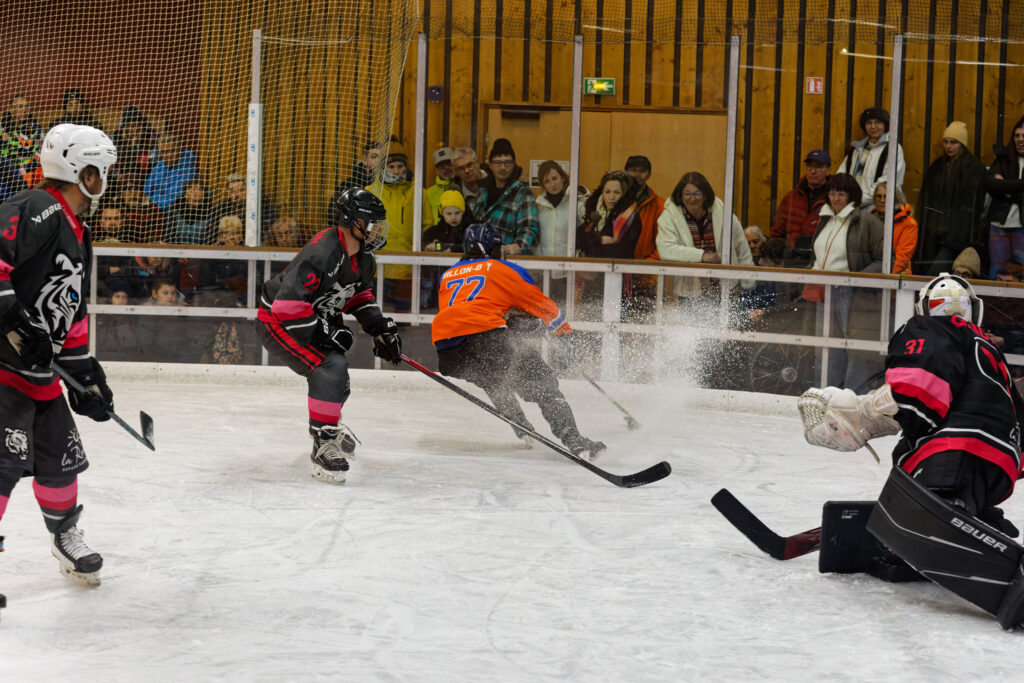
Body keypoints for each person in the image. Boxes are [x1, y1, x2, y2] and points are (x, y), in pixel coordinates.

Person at [799, 273, 1024, 629]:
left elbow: (919, 392)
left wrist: (864, 413)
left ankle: (941, 521)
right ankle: (973, 515)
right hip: (1001, 462)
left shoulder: (931, 328)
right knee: (947, 483)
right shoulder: (989, 351)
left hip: (953, 452)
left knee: (932, 495)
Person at [0, 123, 119, 586]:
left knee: (60, 458)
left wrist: (85, 375)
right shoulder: (38, 207)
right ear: (86, 174)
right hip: (4, 369)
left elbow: (72, 308)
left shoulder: (76, 229)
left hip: (37, 372)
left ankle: (64, 534)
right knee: (3, 463)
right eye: (103, 171)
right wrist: (13, 318)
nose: (106, 180)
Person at [255, 188, 402, 484]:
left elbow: (356, 295)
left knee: (338, 380)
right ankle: (323, 442)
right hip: (278, 321)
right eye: (372, 223)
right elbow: (286, 306)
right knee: (330, 366)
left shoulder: (364, 258)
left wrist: (379, 328)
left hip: (312, 314)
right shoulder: (322, 252)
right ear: (353, 221)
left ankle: (328, 426)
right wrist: (326, 333)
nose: (378, 230)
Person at [431, 223, 606, 459]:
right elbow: (541, 305)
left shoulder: (448, 274)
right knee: (544, 384)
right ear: (495, 248)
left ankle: (521, 426)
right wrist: (565, 336)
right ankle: (575, 441)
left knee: (492, 377)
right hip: (486, 337)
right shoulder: (503, 268)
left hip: (447, 349)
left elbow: (470, 309)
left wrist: (512, 320)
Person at [807, 172, 884, 389]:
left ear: (852, 196)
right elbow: (817, 255)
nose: (836, 198)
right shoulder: (824, 219)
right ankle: (824, 391)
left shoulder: (867, 221)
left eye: (841, 193)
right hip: (823, 289)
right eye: (832, 193)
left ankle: (853, 394)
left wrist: (855, 280)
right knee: (825, 347)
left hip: (852, 293)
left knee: (854, 348)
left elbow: (885, 260)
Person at [655, 171, 754, 305]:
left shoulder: (723, 212)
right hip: (689, 290)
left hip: (726, 287)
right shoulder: (669, 216)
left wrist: (748, 282)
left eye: (697, 193)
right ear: (680, 195)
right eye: (687, 193)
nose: (692, 198)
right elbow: (665, 249)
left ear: (706, 195)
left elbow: (741, 247)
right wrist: (702, 256)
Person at [914, 121, 987, 275]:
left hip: (958, 237)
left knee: (933, 275)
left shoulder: (973, 168)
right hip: (933, 234)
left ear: (962, 144)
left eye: (953, 142)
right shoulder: (937, 167)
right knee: (929, 274)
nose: (948, 146)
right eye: (946, 142)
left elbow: (975, 205)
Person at [468, 138, 539, 257]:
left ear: (514, 164)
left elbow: (530, 229)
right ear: (490, 164)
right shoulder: (482, 191)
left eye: (508, 162)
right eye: (498, 163)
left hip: (507, 261)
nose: (503, 167)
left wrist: (516, 247)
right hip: (478, 259)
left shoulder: (523, 193)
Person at [837, 107, 905, 208]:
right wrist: (843, 198)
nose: (873, 126)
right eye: (869, 123)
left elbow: (887, 181)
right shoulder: (857, 149)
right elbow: (841, 176)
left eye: (878, 122)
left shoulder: (893, 149)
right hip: (852, 207)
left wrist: (856, 202)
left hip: (878, 209)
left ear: (885, 125)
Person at [771, 149, 831, 261]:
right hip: (790, 259)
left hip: (820, 259)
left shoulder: (833, 199)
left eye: (818, 167)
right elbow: (777, 232)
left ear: (827, 170)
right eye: (809, 166)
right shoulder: (791, 197)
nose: (812, 171)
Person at [983, 115, 1024, 281]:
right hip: (999, 224)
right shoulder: (1003, 160)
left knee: (1021, 272)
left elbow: (999, 186)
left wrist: (1004, 185)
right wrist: (1019, 187)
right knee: (997, 272)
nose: (1020, 139)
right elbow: (989, 183)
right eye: (1017, 135)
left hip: (1022, 227)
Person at [326, 141, 385, 221]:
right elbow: (333, 212)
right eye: (374, 156)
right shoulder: (349, 184)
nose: (379, 160)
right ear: (365, 160)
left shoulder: (385, 185)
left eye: (382, 158)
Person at [869, 181, 918, 275]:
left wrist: (881, 277)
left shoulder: (908, 224)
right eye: (879, 196)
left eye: (886, 196)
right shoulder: (868, 220)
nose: (882, 200)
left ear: (895, 199)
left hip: (896, 277)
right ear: (874, 200)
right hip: (870, 275)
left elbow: (901, 258)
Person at [143, 131, 197, 210]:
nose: (168, 155)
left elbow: (174, 199)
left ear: (179, 150)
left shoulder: (187, 169)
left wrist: (153, 200)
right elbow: (147, 192)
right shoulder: (158, 167)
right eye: (163, 152)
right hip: (154, 208)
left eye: (172, 150)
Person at [0, 94, 43, 188]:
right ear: (10, 109)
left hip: (32, 169)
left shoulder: (35, 129)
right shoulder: (2, 130)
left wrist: (27, 168)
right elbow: (4, 156)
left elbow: (38, 152)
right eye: (20, 107)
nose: (24, 110)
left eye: (26, 106)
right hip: (10, 172)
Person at [164, 179, 214, 244]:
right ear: (185, 194)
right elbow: (168, 237)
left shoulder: (211, 211)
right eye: (192, 190)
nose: (197, 194)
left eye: (200, 190)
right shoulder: (174, 210)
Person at [424, 146, 457, 228]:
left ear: (455, 164)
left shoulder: (464, 186)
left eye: (449, 164)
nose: (447, 169)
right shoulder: (428, 194)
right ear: (436, 170)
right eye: (442, 167)